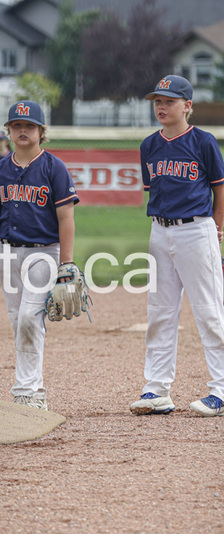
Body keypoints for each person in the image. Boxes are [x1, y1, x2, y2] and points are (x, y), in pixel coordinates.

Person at [129, 75, 224, 417]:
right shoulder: (149, 146)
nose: (161, 107)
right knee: (160, 312)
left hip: (196, 230)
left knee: (210, 311)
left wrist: (216, 228)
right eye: (157, 101)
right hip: (159, 231)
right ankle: (156, 389)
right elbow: (154, 191)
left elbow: (220, 188)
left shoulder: (203, 142)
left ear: (187, 106)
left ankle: (221, 389)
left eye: (169, 101)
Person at [0, 100, 79, 411]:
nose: (23, 130)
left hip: (44, 253)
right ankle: (34, 391)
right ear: (8, 131)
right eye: (17, 125)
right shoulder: (0, 170)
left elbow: (66, 218)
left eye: (29, 126)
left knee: (29, 318)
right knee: (17, 322)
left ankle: (27, 390)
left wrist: (67, 263)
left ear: (41, 131)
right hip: (7, 252)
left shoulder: (53, 168)